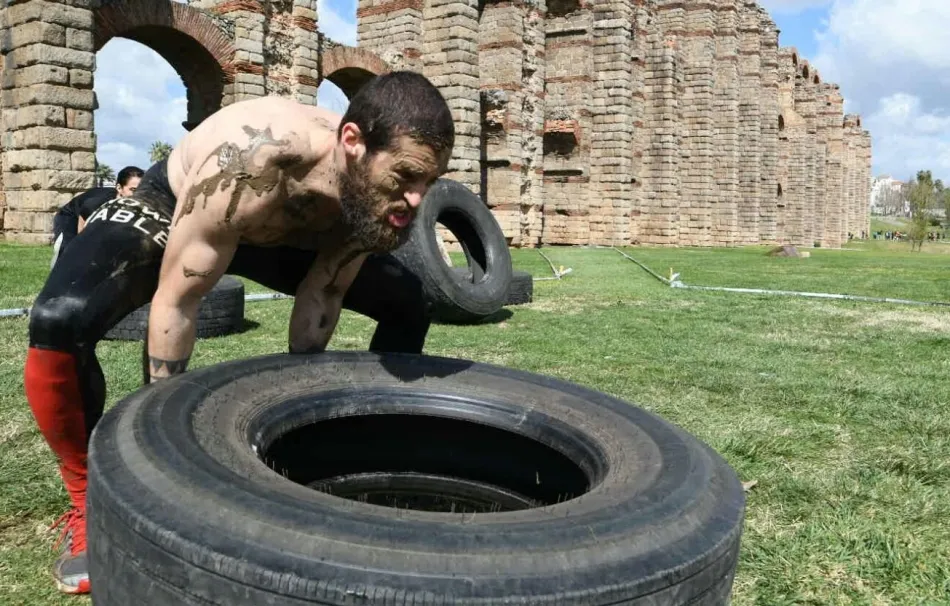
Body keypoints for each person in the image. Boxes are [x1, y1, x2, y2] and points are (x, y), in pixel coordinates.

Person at [23, 70, 454, 595]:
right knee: (58, 319)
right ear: (353, 142)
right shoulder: (257, 156)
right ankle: (88, 502)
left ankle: (362, 455)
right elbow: (179, 301)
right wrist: (160, 457)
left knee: (409, 301)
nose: (415, 201)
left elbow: (324, 294)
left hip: (281, 233)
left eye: (427, 183)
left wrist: (296, 426)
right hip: (178, 205)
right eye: (406, 176)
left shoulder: (376, 196)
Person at [49, 166, 144, 267]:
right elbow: (82, 234)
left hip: (97, 219)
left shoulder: (141, 204)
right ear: (119, 188)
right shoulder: (98, 203)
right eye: (133, 190)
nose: (139, 194)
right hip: (71, 216)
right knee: (70, 252)